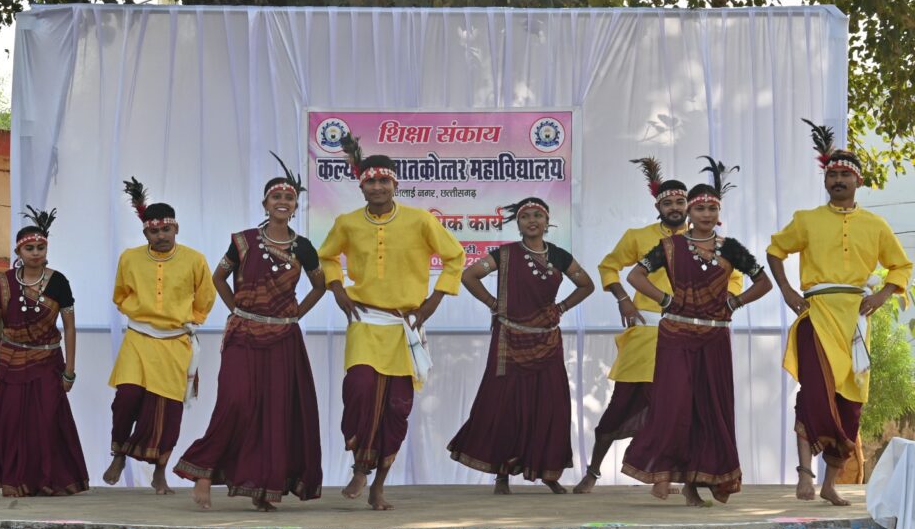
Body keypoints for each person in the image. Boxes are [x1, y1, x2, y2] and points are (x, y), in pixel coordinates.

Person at [573, 160, 742, 494]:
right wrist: (623, 299)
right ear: (658, 207)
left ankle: (667, 478)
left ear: (689, 206)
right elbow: (610, 267)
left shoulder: (706, 242)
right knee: (620, 407)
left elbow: (734, 278)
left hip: (689, 337)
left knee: (683, 412)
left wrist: (725, 300)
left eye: (680, 202)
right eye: (668, 203)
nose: (675, 208)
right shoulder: (639, 238)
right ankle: (592, 472)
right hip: (646, 337)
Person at [317, 134, 465, 510]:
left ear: (395, 184)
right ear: (361, 186)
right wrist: (337, 288)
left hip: (404, 325)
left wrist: (433, 301)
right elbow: (326, 256)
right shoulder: (347, 223)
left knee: (397, 407)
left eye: (384, 181)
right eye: (371, 182)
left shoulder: (420, 221)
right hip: (365, 320)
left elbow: (455, 256)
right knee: (360, 389)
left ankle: (378, 484)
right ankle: (359, 467)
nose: (378, 187)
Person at [767, 120, 912, 506]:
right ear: (826, 181)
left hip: (856, 322)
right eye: (832, 175)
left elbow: (901, 266)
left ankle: (830, 484)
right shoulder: (807, 219)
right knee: (814, 393)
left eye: (845, 175)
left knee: (851, 403)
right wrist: (787, 291)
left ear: (858, 181)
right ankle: (804, 473)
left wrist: (883, 295)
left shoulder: (875, 225)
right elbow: (775, 250)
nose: (837, 180)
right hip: (816, 315)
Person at [174, 154, 325, 511]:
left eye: (289, 198)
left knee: (276, 412)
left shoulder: (303, 247)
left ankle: (264, 489)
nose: (283, 202)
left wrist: (295, 315)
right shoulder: (243, 242)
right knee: (236, 402)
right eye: (276, 197)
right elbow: (218, 278)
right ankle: (204, 471)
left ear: (295, 206)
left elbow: (320, 286)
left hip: (284, 338)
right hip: (243, 334)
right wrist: (237, 310)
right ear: (265, 204)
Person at [621, 158, 772, 505]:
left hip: (715, 336)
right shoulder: (670, 247)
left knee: (709, 409)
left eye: (712, 208)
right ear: (689, 211)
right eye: (700, 208)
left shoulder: (731, 247)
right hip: (676, 334)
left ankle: (693, 485)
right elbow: (634, 276)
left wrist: (736, 302)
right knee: (673, 404)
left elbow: (764, 282)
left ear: (719, 213)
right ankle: (662, 472)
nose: (706, 213)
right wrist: (664, 299)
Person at [447, 197, 594, 493]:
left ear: (547, 221)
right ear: (518, 223)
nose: (532, 221)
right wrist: (493, 304)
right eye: (526, 216)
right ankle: (502, 474)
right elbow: (469, 276)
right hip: (509, 339)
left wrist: (562, 307)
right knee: (504, 406)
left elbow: (587, 285)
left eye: (538, 215)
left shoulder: (559, 256)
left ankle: (548, 471)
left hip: (547, 339)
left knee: (551, 405)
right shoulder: (504, 254)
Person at [0, 206, 89, 496]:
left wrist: (70, 370)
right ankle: (14, 480)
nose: (36, 253)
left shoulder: (58, 281)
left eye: (40, 247)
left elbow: (69, 327)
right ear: (18, 251)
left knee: (46, 422)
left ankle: (45, 481)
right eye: (29, 248)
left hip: (48, 360)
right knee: (11, 422)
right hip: (10, 361)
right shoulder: (4, 282)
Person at [103, 178, 216, 494]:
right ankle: (119, 454)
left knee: (167, 412)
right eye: (154, 232)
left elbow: (206, 297)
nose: (161, 236)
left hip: (174, 343)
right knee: (126, 398)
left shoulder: (195, 259)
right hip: (138, 338)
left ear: (176, 228)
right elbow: (120, 294)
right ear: (145, 234)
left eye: (166, 229)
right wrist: (140, 312)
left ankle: (160, 471)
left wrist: (188, 320)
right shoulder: (130, 258)